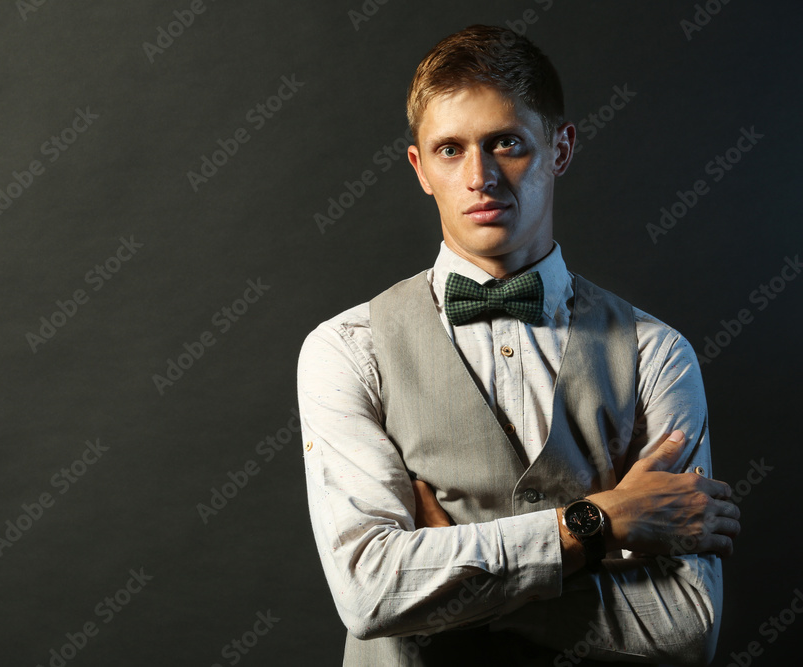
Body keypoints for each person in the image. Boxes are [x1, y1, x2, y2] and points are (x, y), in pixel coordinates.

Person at [296, 25, 740, 666]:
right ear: (420, 169)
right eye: (450, 149)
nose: (479, 176)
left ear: (560, 149)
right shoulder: (345, 350)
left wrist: (443, 597)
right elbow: (371, 594)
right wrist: (600, 524)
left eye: (507, 143)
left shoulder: (656, 354)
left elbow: (686, 625)